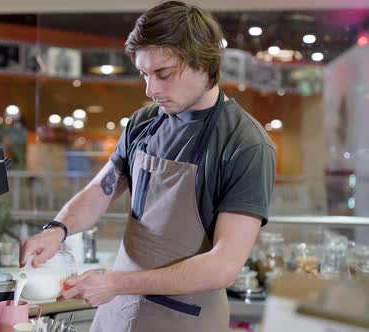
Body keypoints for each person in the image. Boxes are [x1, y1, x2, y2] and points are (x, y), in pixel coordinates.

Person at [19, 1, 277, 331]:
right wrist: (57, 229)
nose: (150, 89)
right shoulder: (145, 122)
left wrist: (116, 283)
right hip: (117, 310)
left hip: (185, 319)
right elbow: (101, 189)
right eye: (144, 74)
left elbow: (223, 266)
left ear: (203, 63)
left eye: (163, 74)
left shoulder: (245, 144)